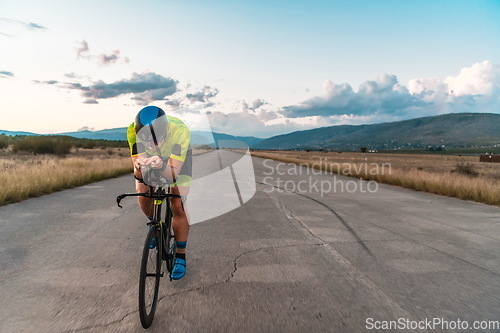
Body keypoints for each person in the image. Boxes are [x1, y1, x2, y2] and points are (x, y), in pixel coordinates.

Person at [127, 106, 192, 280]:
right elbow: (137, 171)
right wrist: (140, 167)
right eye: (145, 141)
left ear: (165, 132)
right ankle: (154, 225)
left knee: (177, 204)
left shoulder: (180, 131)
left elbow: (173, 173)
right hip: (150, 161)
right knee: (143, 192)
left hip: (176, 162)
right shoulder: (132, 131)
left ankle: (180, 256)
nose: (150, 145)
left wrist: (163, 165)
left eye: (155, 141)